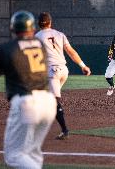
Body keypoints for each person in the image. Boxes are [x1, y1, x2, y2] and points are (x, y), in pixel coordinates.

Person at [0, 10, 57, 169]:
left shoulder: (6, 48)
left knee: (14, 156)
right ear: (32, 28)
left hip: (26, 102)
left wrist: (5, 66)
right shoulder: (41, 45)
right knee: (33, 153)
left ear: (13, 29)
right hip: (48, 101)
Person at [35, 12, 91, 140]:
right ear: (50, 22)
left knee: (54, 101)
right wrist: (83, 66)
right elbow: (71, 52)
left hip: (52, 71)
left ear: (38, 24)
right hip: (63, 71)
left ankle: (65, 130)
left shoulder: (37, 37)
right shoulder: (59, 34)